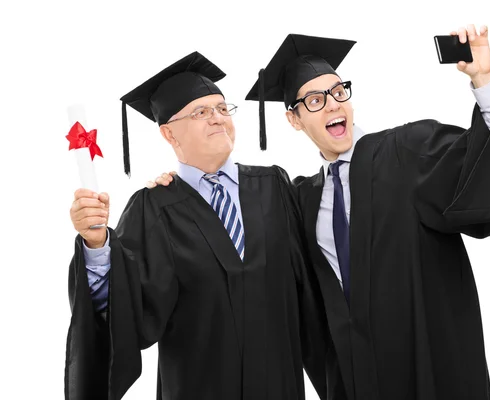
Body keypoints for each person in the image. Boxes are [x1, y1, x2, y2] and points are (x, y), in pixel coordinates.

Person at [243, 26, 490, 400]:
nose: (334, 104)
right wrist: (177, 186)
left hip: (428, 365)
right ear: (294, 119)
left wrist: (483, 81)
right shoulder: (302, 198)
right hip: (356, 378)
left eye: (338, 92)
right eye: (315, 100)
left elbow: (478, 164)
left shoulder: (404, 152)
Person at [66, 51, 331, 400]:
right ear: (168, 134)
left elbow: (323, 260)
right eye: (201, 112)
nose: (218, 118)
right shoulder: (154, 207)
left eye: (223, 109)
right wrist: (97, 244)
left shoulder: (275, 187)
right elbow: (121, 309)